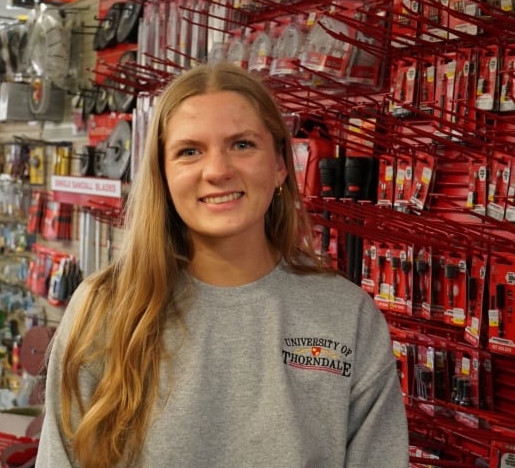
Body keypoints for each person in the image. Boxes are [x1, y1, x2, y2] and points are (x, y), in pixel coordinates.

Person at [35, 62, 409, 468]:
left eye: (242, 145)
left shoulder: (345, 315)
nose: (217, 171)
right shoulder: (104, 307)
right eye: (189, 151)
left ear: (282, 163)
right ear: (162, 173)